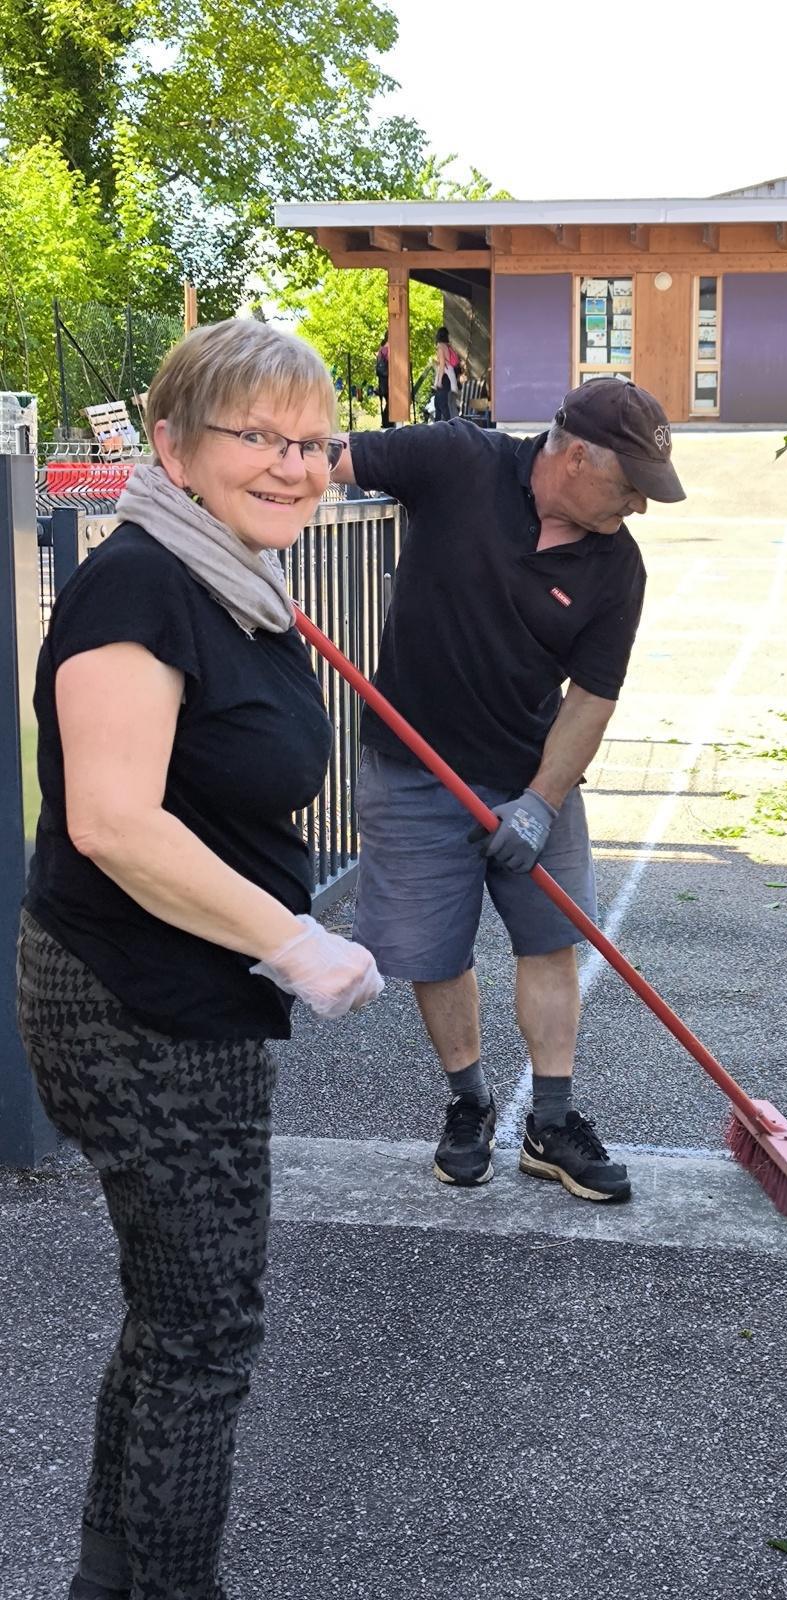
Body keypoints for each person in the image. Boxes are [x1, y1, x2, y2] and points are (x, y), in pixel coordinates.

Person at [17, 319, 384, 1600]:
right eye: (258, 437)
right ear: (169, 445)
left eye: (311, 441)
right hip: (140, 1004)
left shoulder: (228, 576)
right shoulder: (140, 586)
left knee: (173, 1320)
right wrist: (294, 940)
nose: (294, 465)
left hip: (189, 998)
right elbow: (113, 820)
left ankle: (107, 1579)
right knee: (204, 1334)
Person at [333, 377, 685, 1204]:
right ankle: (470, 1103)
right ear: (572, 455)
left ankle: (550, 1124)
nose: (639, 505)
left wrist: (542, 801)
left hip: (529, 769)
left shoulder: (616, 569)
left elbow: (591, 697)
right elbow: (327, 462)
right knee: (435, 951)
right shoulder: (457, 460)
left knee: (549, 939)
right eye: (629, 484)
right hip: (412, 768)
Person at [432, 325, 459, 421]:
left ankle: (446, 425)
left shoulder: (440, 347)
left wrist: (439, 381)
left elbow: (442, 364)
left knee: (441, 402)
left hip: (444, 375)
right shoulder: (447, 346)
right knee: (445, 402)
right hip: (449, 373)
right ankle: (447, 424)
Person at [374, 332, 391, 427]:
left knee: (389, 402)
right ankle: (387, 423)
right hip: (388, 380)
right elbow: (392, 363)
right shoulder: (388, 348)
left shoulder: (382, 347)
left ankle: (385, 422)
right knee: (391, 403)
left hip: (382, 381)